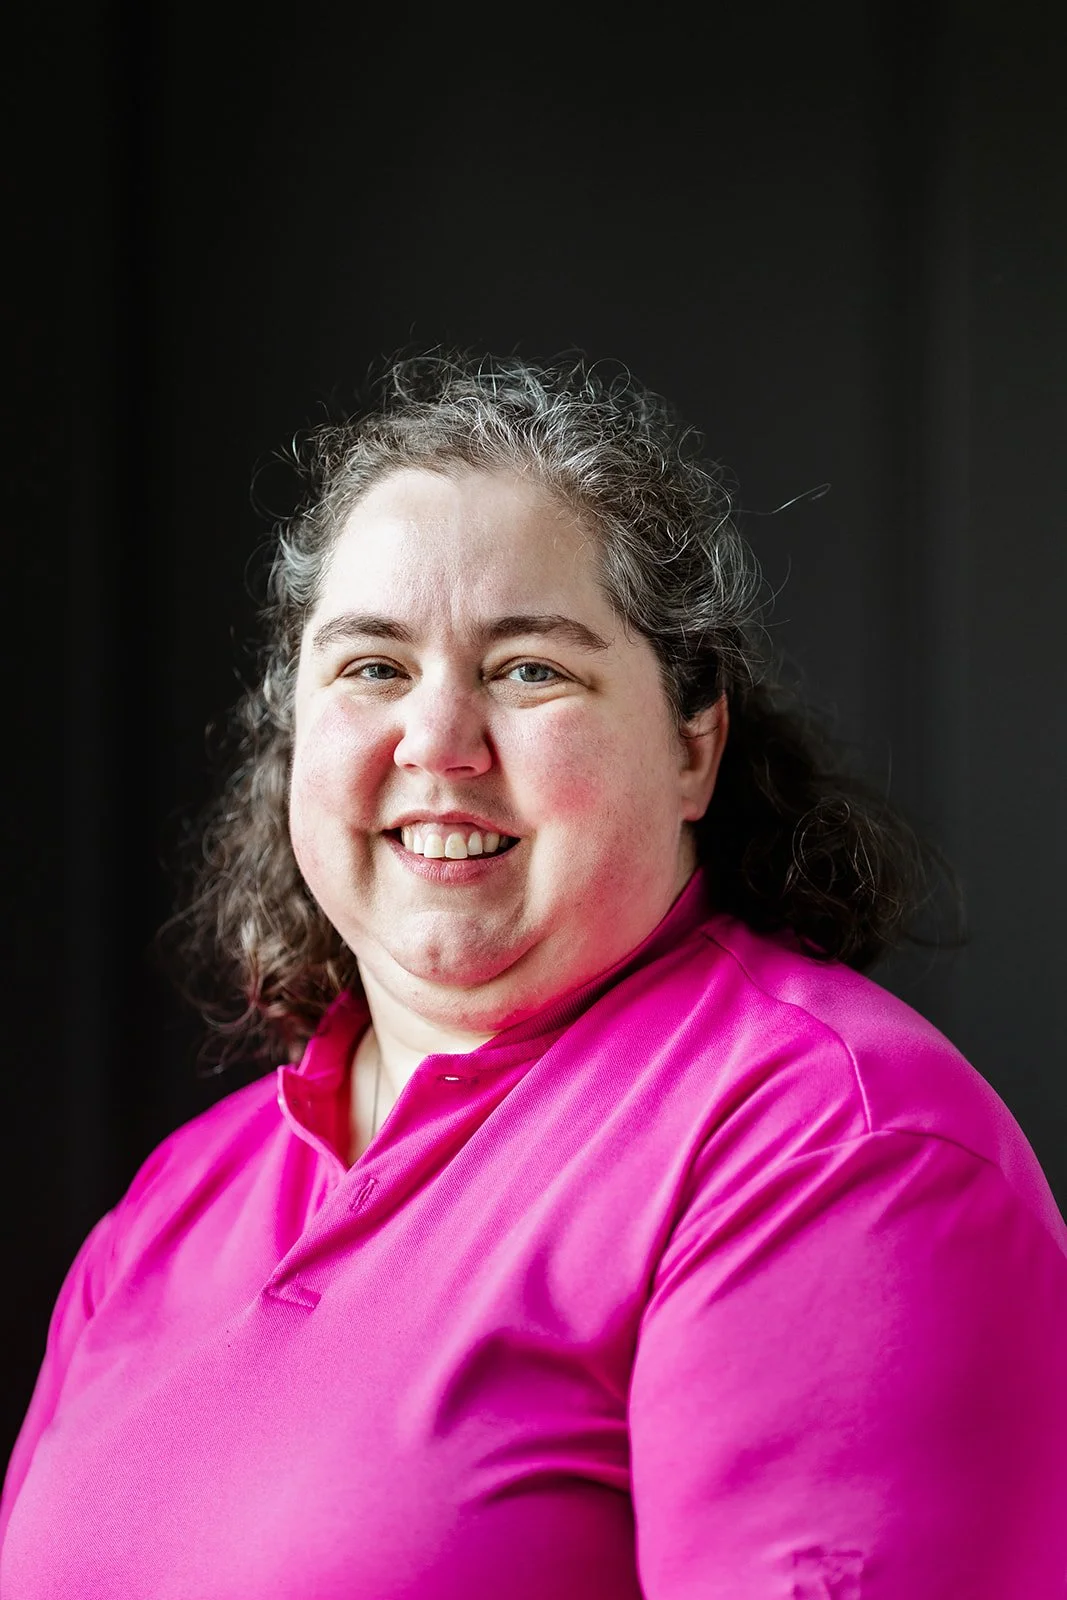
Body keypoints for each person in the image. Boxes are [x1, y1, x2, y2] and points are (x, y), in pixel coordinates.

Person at [3, 351, 1066, 1600]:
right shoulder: (175, 1204)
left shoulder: (828, 1144)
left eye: (529, 669)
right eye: (372, 666)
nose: (437, 744)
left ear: (692, 745)